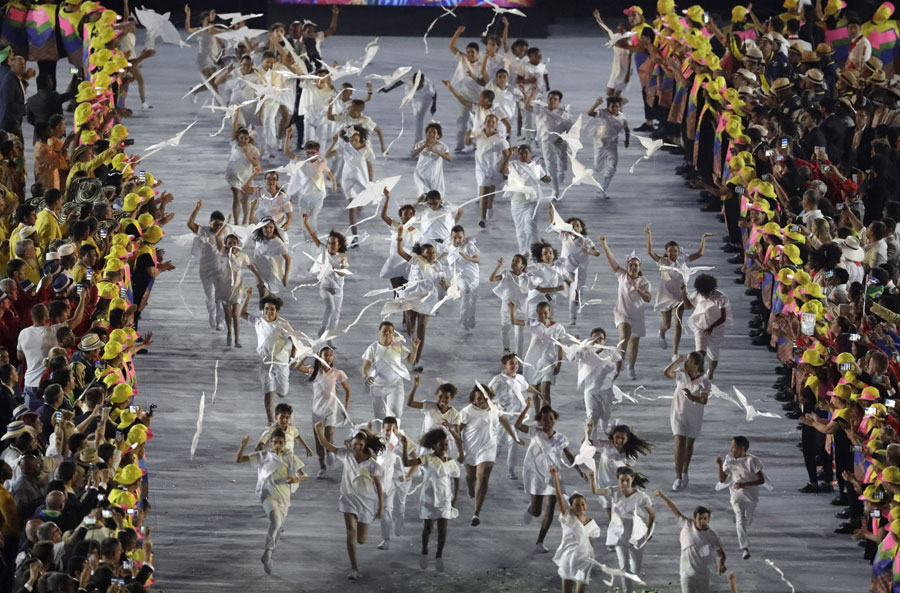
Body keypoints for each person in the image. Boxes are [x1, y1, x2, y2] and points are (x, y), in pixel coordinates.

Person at [314, 421, 384, 580]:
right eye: (354, 444)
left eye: (360, 445)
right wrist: (319, 430)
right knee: (350, 532)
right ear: (351, 444)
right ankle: (354, 568)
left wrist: (381, 506)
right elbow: (326, 444)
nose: (357, 447)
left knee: (361, 539)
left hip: (366, 502)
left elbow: (379, 486)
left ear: (364, 445)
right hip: (348, 499)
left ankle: (360, 544)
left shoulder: (372, 464)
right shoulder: (345, 455)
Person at [235, 430, 307, 575]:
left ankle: (269, 556)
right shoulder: (263, 456)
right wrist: (242, 446)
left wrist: (296, 479)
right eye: (275, 442)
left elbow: (304, 475)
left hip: (283, 496)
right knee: (275, 521)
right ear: (270, 443)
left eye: (281, 442)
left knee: (278, 527)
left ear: (285, 443)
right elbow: (239, 460)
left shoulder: (290, 457)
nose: (278, 445)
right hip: (266, 493)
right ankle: (267, 551)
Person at [515, 402, 579, 553]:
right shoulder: (535, 432)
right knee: (537, 511)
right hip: (535, 474)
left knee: (550, 509)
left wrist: (579, 470)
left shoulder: (561, 439)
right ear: (540, 421)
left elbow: (569, 456)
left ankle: (540, 542)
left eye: (550, 418)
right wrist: (526, 408)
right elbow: (518, 425)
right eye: (544, 419)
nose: (547, 422)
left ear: (555, 420)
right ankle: (531, 509)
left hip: (553, 476)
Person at [401, 425, 463, 572]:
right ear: (434, 445)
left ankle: (439, 556)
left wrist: (454, 499)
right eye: (441, 444)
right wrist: (404, 449)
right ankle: (424, 551)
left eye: (446, 445)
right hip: (429, 498)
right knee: (428, 528)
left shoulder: (451, 462)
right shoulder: (426, 459)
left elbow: (456, 478)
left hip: (444, 499)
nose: (444, 447)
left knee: (443, 529)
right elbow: (406, 463)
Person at [458, 383, 520, 526]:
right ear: (473, 399)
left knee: (483, 476)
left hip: (489, 447)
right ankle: (470, 488)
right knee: (471, 477)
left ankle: (476, 513)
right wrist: (459, 449)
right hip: (471, 448)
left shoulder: (495, 408)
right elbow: (457, 431)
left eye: (484, 398)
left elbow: (504, 420)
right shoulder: (467, 412)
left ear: (489, 397)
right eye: (478, 399)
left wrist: (515, 437)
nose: (482, 401)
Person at [644, 228, 711, 358]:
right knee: (667, 325)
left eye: (675, 251)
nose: (673, 253)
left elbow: (700, 253)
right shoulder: (662, 261)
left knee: (678, 323)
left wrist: (703, 238)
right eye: (670, 251)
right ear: (666, 252)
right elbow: (650, 251)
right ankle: (662, 332)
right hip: (665, 295)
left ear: (679, 252)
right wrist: (649, 234)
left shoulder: (683, 259)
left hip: (679, 296)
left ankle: (674, 353)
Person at [588, 467, 654, 592]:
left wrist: (647, 532)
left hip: (636, 535)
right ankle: (626, 591)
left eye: (627, 480)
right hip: (619, 535)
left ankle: (634, 571)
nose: (624, 483)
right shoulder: (615, 491)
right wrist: (592, 479)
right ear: (618, 480)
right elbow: (596, 491)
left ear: (632, 479)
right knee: (624, 567)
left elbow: (652, 514)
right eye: (621, 480)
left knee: (635, 569)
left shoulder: (641, 497)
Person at [394, 228, 449, 371]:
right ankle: (410, 349)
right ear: (422, 254)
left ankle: (416, 360)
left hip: (428, 299)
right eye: (429, 253)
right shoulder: (416, 260)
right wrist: (399, 238)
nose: (432, 255)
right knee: (410, 327)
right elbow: (401, 252)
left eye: (433, 252)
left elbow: (443, 282)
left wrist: (445, 285)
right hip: (413, 296)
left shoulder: (437, 265)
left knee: (422, 328)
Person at [239, 291, 297, 423]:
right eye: (266, 309)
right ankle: (270, 422)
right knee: (268, 392)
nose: (268, 312)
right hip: (265, 363)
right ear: (262, 310)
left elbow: (295, 340)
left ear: (277, 311)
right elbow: (241, 313)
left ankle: (282, 386)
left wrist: (293, 355)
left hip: (281, 363)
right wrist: (247, 297)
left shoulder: (283, 324)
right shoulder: (258, 320)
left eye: (272, 309)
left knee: (282, 393)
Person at [654, 491, 727, 593]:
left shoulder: (712, 536)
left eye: (705, 519)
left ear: (709, 519)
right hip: (687, 573)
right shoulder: (688, 524)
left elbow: (722, 553)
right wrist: (662, 496)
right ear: (695, 518)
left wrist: (722, 563)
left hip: (703, 575)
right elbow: (674, 510)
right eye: (700, 518)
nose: (702, 521)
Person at [599, 236, 651, 380]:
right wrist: (604, 244)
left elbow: (648, 298)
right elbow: (612, 261)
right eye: (631, 265)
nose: (633, 267)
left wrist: (638, 289)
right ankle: (617, 366)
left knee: (633, 344)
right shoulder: (622, 275)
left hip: (637, 316)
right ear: (627, 266)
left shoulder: (644, 282)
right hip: (622, 313)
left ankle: (631, 367)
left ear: (639, 268)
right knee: (624, 336)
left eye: (636, 265)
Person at [296, 346, 349, 478]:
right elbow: (298, 367)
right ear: (320, 357)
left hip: (331, 408)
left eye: (331, 355)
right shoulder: (314, 371)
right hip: (317, 410)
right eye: (326, 354)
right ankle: (322, 467)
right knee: (319, 440)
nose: (329, 357)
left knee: (329, 434)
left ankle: (330, 452)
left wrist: (345, 408)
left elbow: (348, 390)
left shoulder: (337, 373)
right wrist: (306, 355)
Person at [549, 466, 601, 593]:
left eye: (583, 504)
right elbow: (560, 498)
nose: (580, 507)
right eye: (577, 505)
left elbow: (590, 542)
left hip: (584, 560)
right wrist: (555, 477)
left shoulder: (591, 523)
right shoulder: (568, 518)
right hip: (569, 559)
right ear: (571, 507)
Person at [488, 352, 539, 480]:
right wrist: (496, 407)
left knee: (513, 443)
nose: (515, 366)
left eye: (516, 363)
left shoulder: (519, 378)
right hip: (503, 418)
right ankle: (487, 465)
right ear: (504, 366)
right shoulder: (498, 381)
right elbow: (488, 395)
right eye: (511, 364)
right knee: (499, 443)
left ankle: (511, 470)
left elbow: (527, 387)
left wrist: (540, 394)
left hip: (516, 418)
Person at [664, 353, 711, 492]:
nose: (686, 362)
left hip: (694, 416)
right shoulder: (681, 375)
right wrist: (677, 361)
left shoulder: (704, 382)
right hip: (678, 414)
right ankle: (677, 476)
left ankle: (685, 472)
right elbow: (667, 373)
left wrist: (691, 397)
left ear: (696, 365)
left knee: (689, 445)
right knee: (679, 441)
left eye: (689, 360)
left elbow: (704, 400)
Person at [715, 436, 767, 560]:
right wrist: (720, 464)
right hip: (736, 495)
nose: (731, 449)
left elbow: (761, 479)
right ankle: (744, 548)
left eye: (734, 447)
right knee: (740, 519)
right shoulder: (729, 460)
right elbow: (722, 480)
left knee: (747, 520)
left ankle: (744, 526)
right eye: (731, 447)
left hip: (750, 496)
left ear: (741, 448)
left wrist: (745, 484)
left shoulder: (752, 461)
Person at [301, 214, 348, 340]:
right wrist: (306, 223)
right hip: (325, 287)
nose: (330, 246)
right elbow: (313, 237)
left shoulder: (342, 258)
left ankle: (330, 339)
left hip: (338, 290)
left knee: (336, 315)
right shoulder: (323, 250)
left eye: (333, 244)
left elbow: (343, 273)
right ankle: (323, 327)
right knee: (330, 307)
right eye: (329, 243)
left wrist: (341, 268)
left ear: (339, 245)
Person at [326, 125, 374, 247]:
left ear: (360, 136)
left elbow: (370, 166)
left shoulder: (367, 149)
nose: (353, 139)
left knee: (358, 207)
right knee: (352, 208)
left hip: (362, 181)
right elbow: (328, 155)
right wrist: (334, 143)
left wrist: (371, 183)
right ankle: (355, 237)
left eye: (355, 137)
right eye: (350, 138)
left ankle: (359, 209)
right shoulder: (345, 147)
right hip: (348, 181)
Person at [509, 300, 564, 407]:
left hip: (548, 362)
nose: (543, 315)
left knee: (546, 389)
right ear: (536, 312)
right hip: (533, 361)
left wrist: (559, 363)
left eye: (545, 313)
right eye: (540, 313)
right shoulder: (533, 323)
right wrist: (512, 309)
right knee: (536, 391)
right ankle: (538, 416)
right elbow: (514, 321)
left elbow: (560, 347)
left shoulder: (558, 328)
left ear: (549, 312)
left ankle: (545, 413)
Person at [361, 321, 419, 420]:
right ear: (379, 332)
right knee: (380, 417)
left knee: (396, 414)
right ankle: (381, 435)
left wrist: (415, 349)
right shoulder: (373, 348)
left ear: (392, 334)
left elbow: (410, 360)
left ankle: (394, 434)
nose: (387, 333)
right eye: (384, 331)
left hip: (395, 384)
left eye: (390, 332)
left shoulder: (397, 345)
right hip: (378, 386)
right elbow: (365, 367)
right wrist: (366, 377)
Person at [215, 228, 262, 348]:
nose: (232, 244)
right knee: (227, 312)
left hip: (238, 286)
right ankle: (229, 331)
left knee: (236, 313)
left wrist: (259, 278)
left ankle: (237, 339)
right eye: (229, 242)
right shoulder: (223, 252)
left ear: (237, 243)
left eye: (234, 242)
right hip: (225, 285)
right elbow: (217, 238)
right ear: (226, 243)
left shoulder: (243, 255)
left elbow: (251, 266)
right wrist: (225, 225)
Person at [500, 145, 551, 255]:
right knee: (520, 229)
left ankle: (535, 252)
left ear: (530, 154)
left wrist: (548, 179)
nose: (523, 155)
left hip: (532, 201)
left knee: (530, 225)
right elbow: (502, 170)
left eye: (526, 153)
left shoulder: (536, 166)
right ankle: (524, 253)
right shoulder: (514, 165)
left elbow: (544, 178)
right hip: (517, 202)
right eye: (521, 153)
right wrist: (509, 155)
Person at [523, 88, 572, 196]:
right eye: (550, 98)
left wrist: (563, 138)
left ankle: (562, 171)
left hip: (560, 143)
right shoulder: (540, 110)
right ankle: (555, 191)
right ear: (547, 99)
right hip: (546, 143)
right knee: (550, 167)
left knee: (562, 164)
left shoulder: (563, 113)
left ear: (559, 102)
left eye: (555, 99)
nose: (552, 101)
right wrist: (531, 94)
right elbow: (526, 107)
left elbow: (570, 129)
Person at [187, 201, 227, 331]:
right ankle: (212, 314)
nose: (217, 227)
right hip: (205, 270)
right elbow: (190, 224)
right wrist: (197, 209)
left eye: (220, 224)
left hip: (219, 269)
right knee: (210, 296)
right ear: (210, 222)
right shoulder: (203, 230)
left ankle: (220, 321)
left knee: (220, 296)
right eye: (215, 224)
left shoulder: (224, 234)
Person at [682, 274, 731, 380]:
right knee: (700, 351)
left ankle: (711, 371)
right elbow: (687, 306)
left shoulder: (721, 298)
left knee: (713, 357)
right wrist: (683, 294)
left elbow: (723, 317)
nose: (704, 295)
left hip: (716, 330)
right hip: (700, 327)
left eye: (706, 293)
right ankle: (699, 372)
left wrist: (711, 327)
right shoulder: (698, 295)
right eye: (702, 293)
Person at [463, 114, 508, 228]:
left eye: (493, 122)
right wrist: (467, 135)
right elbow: (468, 143)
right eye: (488, 121)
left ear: (496, 124)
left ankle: (490, 206)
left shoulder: (500, 139)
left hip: (494, 167)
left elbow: (507, 155)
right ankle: (482, 218)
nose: (490, 124)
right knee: (483, 190)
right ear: (485, 122)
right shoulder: (479, 134)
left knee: (491, 190)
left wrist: (505, 169)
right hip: (480, 167)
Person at [576, 328, 620, 437]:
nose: (597, 341)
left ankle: (604, 423)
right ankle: (592, 443)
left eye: (600, 339)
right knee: (591, 417)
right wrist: (576, 344)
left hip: (606, 390)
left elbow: (619, 359)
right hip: (590, 391)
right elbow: (574, 356)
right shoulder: (585, 352)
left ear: (604, 341)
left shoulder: (610, 351)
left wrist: (616, 373)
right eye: (594, 338)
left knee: (606, 415)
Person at [586, 96, 629, 200]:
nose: (615, 109)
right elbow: (590, 113)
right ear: (608, 106)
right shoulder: (602, 113)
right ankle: (600, 164)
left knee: (612, 168)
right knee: (598, 168)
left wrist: (627, 140)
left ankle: (601, 190)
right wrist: (596, 104)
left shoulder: (622, 117)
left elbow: (627, 128)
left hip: (612, 145)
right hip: (600, 143)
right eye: (612, 107)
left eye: (617, 107)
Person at [489, 255, 529, 355]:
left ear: (522, 266)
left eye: (517, 261)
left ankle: (518, 358)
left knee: (519, 336)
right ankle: (506, 348)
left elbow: (537, 288)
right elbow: (492, 279)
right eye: (513, 261)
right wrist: (498, 266)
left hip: (520, 311)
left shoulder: (526, 278)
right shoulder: (506, 274)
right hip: (506, 310)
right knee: (504, 331)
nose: (513, 263)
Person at [225, 123, 260, 225]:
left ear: (249, 139)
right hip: (233, 174)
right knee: (236, 196)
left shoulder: (253, 149)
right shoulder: (234, 144)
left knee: (245, 199)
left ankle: (245, 220)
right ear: (238, 137)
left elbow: (256, 163)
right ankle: (236, 222)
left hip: (246, 175)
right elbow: (234, 128)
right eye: (241, 138)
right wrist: (236, 113)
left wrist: (247, 154)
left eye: (246, 138)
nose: (243, 140)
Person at [447, 225, 480, 330]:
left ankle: (471, 316)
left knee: (473, 298)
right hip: (460, 276)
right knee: (466, 291)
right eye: (454, 237)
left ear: (464, 236)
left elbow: (477, 260)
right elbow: (444, 255)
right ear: (451, 237)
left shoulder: (469, 246)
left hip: (473, 275)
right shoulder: (449, 247)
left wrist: (467, 257)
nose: (457, 240)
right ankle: (463, 319)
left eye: (460, 237)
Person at [250, 218, 290, 296]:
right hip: (259, 271)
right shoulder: (258, 238)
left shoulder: (277, 242)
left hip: (271, 272)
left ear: (274, 228)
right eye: (265, 227)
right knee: (262, 297)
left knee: (268, 297)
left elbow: (288, 258)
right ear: (261, 228)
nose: (268, 230)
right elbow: (251, 224)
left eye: (271, 227)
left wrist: (286, 276)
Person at [411, 122, 451, 198]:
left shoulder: (442, 146)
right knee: (423, 196)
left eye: (434, 133)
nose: (431, 134)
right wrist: (423, 146)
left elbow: (448, 158)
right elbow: (413, 154)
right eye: (429, 132)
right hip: (421, 174)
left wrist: (435, 150)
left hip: (435, 176)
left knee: (436, 197)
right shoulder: (420, 144)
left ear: (438, 136)